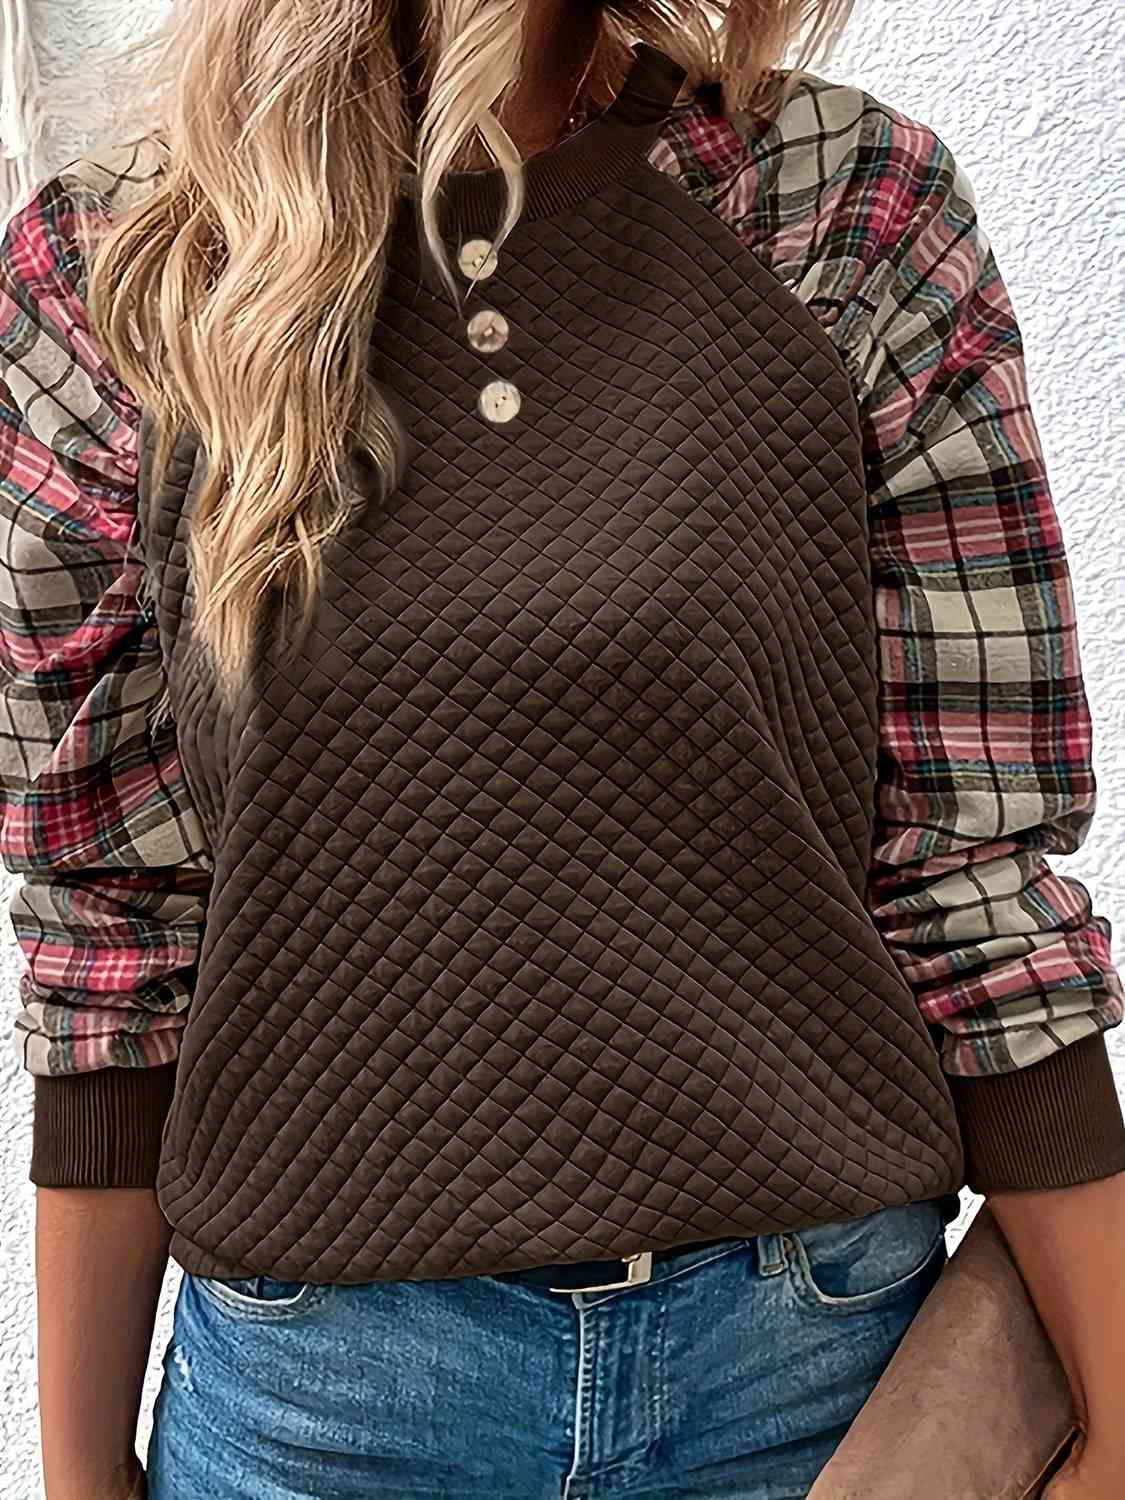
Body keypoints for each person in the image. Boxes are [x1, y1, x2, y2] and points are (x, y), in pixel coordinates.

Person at [1, 1, 1123, 1497]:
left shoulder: (837, 207)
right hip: (323, 1411)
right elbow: (111, 929)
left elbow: (972, 869)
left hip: (812, 1380)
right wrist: (79, 1476)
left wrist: (1117, 1419)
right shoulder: (115, 273)